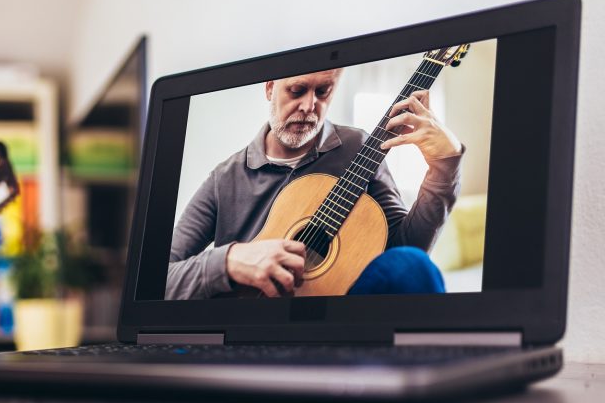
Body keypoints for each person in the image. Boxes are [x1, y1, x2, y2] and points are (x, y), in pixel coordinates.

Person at [166, 67, 464, 300]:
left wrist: (443, 167)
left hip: (341, 316)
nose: (309, 106)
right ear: (270, 88)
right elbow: (159, 279)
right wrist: (230, 259)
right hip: (254, 328)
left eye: (323, 92)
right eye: (296, 90)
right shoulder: (225, 178)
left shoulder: (360, 148)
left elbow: (404, 251)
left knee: (411, 266)